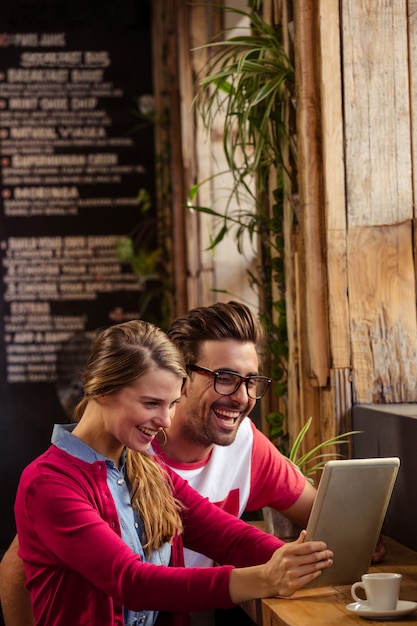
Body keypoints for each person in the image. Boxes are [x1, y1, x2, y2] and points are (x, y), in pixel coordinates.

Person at [5, 320, 333, 626]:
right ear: (102, 390)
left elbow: (226, 535)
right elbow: (131, 582)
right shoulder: (48, 484)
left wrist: (303, 558)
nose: (165, 420)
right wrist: (264, 578)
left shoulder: (147, 467)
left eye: (172, 403)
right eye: (151, 403)